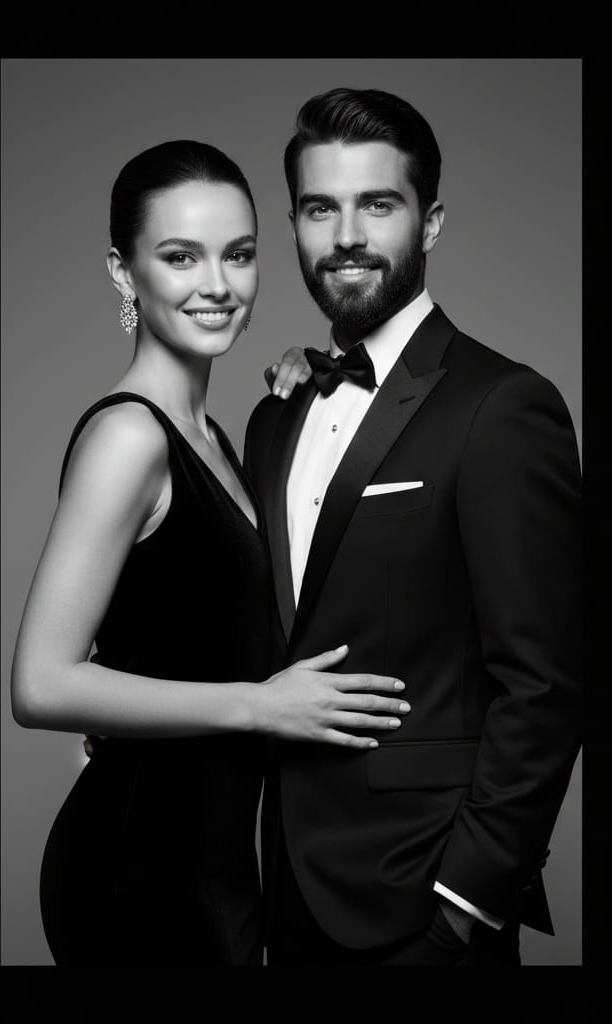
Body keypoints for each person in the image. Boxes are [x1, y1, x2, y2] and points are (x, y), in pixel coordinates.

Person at [10, 139, 411, 967]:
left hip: (216, 859)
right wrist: (260, 704)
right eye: (179, 257)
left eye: (238, 254)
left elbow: (184, 622)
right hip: (140, 868)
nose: (217, 286)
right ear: (124, 273)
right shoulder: (128, 435)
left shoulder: (219, 438)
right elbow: (40, 684)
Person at [244, 87, 582, 966]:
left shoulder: (503, 406)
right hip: (275, 890)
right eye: (321, 207)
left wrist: (463, 906)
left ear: (428, 223)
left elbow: (546, 682)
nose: (346, 233)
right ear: (293, 224)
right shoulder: (274, 415)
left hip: (419, 906)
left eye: (377, 204)